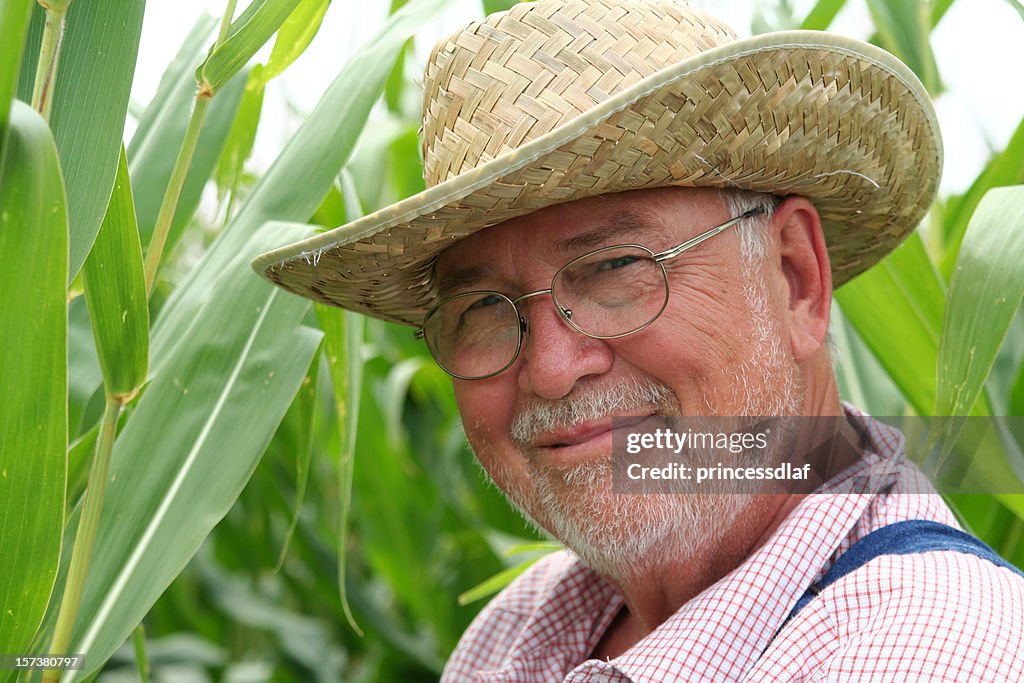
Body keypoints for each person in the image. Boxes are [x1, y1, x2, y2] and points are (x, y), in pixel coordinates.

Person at [252, 0, 1024, 679]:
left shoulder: (928, 644)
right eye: (484, 308)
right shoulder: (517, 631)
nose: (551, 369)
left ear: (794, 277)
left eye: (617, 269)